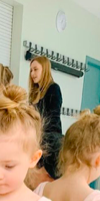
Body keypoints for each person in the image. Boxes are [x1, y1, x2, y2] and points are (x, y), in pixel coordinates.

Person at [27, 56, 63, 187]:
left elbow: (52, 119)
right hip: (38, 142)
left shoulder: (53, 89)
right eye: (31, 70)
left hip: (50, 145)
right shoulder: (34, 93)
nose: (32, 74)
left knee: (48, 183)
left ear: (45, 69)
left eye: (35, 69)